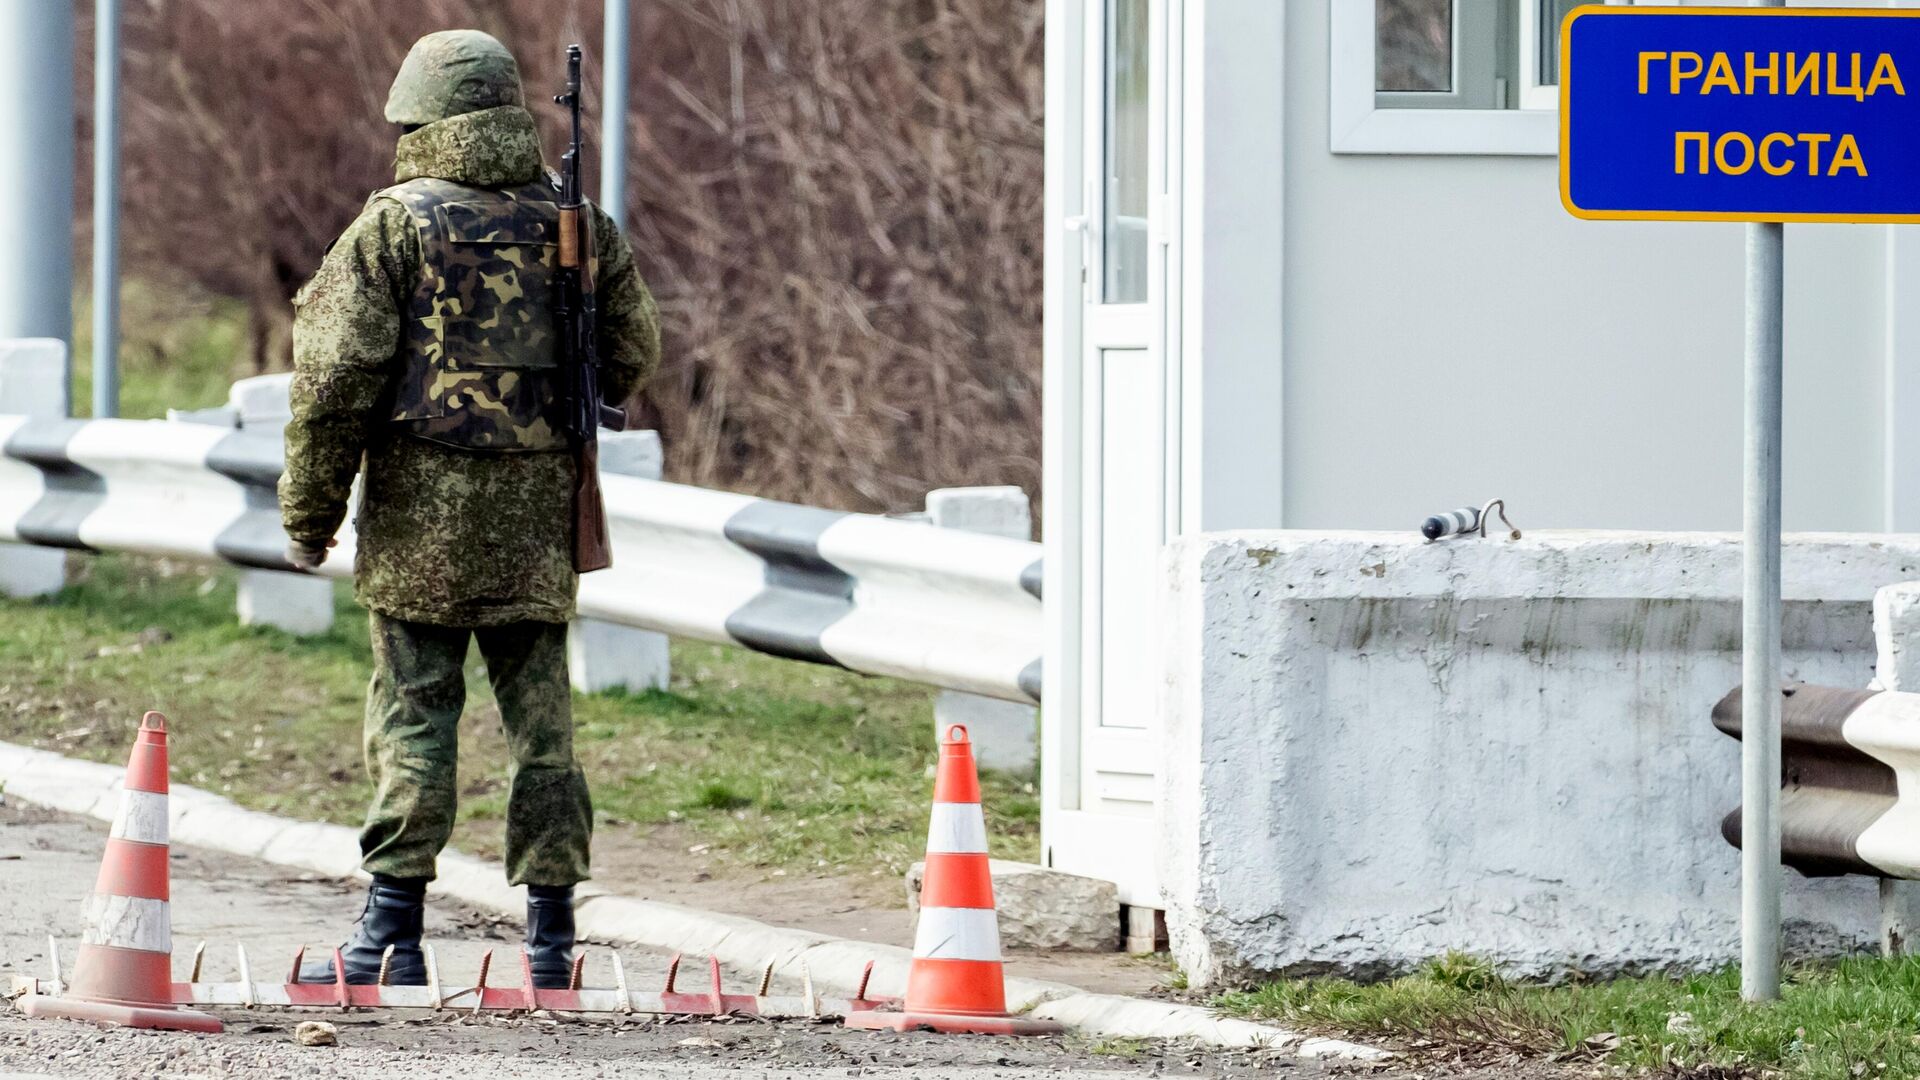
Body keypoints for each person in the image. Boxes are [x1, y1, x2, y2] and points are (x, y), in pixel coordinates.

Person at [278, 28, 661, 988]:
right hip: (538, 522)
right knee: (545, 730)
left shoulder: (392, 226)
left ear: (418, 116)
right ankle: (552, 941)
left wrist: (309, 517)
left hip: (419, 525)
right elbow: (632, 349)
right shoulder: (574, 221)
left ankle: (389, 939)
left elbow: (333, 384)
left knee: (413, 716)